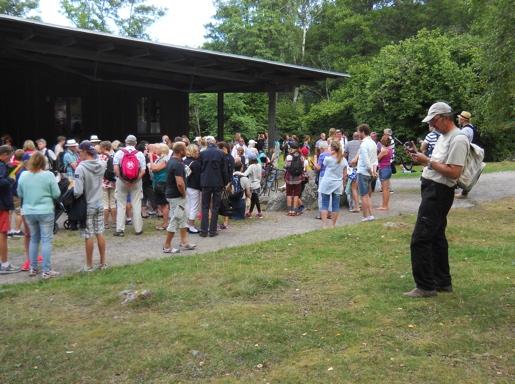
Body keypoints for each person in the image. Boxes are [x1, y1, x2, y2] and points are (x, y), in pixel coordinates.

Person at [404, 102, 469, 298]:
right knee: (436, 236)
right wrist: (422, 159)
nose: (432, 125)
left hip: (439, 192)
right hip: (432, 188)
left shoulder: (458, 139)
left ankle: (425, 286)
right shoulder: (444, 137)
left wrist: (428, 161)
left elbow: (454, 172)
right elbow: (438, 164)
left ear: (443, 118)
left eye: (433, 121)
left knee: (420, 238)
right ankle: (442, 282)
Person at [17, 152, 61, 278]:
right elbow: (56, 194)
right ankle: (46, 270)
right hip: (45, 210)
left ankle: (33, 268)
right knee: (46, 240)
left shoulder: (24, 175)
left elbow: (20, 193)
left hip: (29, 211)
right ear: (43, 163)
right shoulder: (48, 175)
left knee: (34, 239)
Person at [74, 141, 107, 271]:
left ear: (85, 152)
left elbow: (78, 191)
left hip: (87, 204)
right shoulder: (102, 164)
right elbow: (98, 158)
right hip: (99, 202)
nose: (78, 154)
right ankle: (103, 263)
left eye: (79, 152)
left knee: (89, 235)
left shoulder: (80, 168)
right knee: (100, 232)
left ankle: (89, 265)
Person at [163, 142, 196, 254]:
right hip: (176, 196)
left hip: (172, 194)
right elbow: (180, 183)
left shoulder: (171, 161)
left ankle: (184, 242)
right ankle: (167, 246)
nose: (186, 152)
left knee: (182, 219)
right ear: (181, 151)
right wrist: (183, 194)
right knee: (175, 219)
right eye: (185, 149)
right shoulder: (178, 164)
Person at [113, 135, 146, 237]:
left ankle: (120, 229)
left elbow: (116, 169)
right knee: (136, 204)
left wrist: (123, 180)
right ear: (135, 143)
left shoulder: (119, 153)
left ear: (126, 142)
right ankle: (138, 229)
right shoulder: (140, 154)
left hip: (122, 182)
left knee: (121, 204)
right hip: (136, 182)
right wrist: (135, 180)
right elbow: (143, 171)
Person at [199, 136, 228, 237]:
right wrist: (225, 182)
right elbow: (224, 170)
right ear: (215, 143)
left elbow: (200, 169)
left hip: (205, 182)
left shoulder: (202, 154)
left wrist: (200, 182)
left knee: (205, 206)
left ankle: (203, 231)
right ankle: (212, 230)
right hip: (217, 183)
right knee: (215, 207)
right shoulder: (221, 153)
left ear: (207, 143)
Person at [318, 141, 348, 228]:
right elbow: (345, 174)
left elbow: (323, 167)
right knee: (335, 205)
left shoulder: (328, 159)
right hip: (338, 184)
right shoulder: (343, 160)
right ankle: (333, 225)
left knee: (325, 204)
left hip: (326, 183)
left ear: (333, 149)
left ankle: (324, 224)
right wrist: (343, 183)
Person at [0, 145, 18, 273]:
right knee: (3, 234)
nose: (10, 158)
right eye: (10, 155)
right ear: (4, 154)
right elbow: (1, 182)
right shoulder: (1, 166)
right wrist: (11, 180)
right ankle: (5, 264)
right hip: (2, 205)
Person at [356, 124, 378, 222]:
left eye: (359, 132)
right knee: (368, 195)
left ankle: (365, 216)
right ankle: (371, 215)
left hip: (363, 172)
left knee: (363, 195)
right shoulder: (373, 143)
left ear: (362, 132)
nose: (358, 134)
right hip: (370, 173)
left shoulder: (364, 144)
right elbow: (375, 159)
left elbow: (366, 161)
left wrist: (371, 171)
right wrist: (373, 171)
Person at [149, 143, 170, 231]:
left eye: (157, 149)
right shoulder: (161, 158)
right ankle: (165, 222)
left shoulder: (165, 159)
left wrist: (150, 157)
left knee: (163, 204)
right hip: (158, 182)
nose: (155, 150)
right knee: (161, 204)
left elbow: (154, 168)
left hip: (162, 183)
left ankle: (166, 224)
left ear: (162, 150)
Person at [184, 144, 201, 234]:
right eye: (197, 151)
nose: (198, 152)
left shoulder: (185, 161)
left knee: (188, 205)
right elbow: (198, 177)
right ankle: (191, 225)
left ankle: (187, 224)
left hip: (186, 185)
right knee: (194, 206)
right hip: (194, 186)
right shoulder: (196, 163)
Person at [98, 141, 116, 229]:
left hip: (103, 182)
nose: (99, 149)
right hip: (113, 182)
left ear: (104, 148)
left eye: (100, 147)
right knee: (113, 203)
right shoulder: (114, 155)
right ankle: (114, 222)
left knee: (105, 204)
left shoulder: (100, 157)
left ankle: (105, 223)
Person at [284, 142, 305, 216]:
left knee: (289, 194)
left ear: (293, 149)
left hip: (289, 178)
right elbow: (303, 167)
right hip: (298, 178)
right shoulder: (301, 157)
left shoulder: (289, 157)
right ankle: (295, 210)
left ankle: (290, 211)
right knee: (296, 195)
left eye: (290, 148)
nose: (289, 149)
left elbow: (286, 166)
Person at [240, 152, 263, 218]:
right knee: (254, 199)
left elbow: (245, 174)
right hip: (258, 184)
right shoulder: (259, 165)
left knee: (255, 199)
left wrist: (238, 173)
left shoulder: (251, 166)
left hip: (252, 185)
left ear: (250, 159)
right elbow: (260, 175)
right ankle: (250, 212)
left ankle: (259, 212)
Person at [344, 132, 361, 212]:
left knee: (351, 187)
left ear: (353, 136)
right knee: (359, 187)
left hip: (351, 168)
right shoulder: (362, 143)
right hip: (361, 167)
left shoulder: (348, 143)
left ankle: (354, 205)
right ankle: (359, 203)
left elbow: (345, 154)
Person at [377, 134, 394, 210]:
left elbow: (377, 158)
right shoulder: (390, 148)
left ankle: (385, 206)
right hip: (388, 168)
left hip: (384, 169)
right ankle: (385, 205)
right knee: (386, 189)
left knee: (384, 189)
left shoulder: (384, 150)